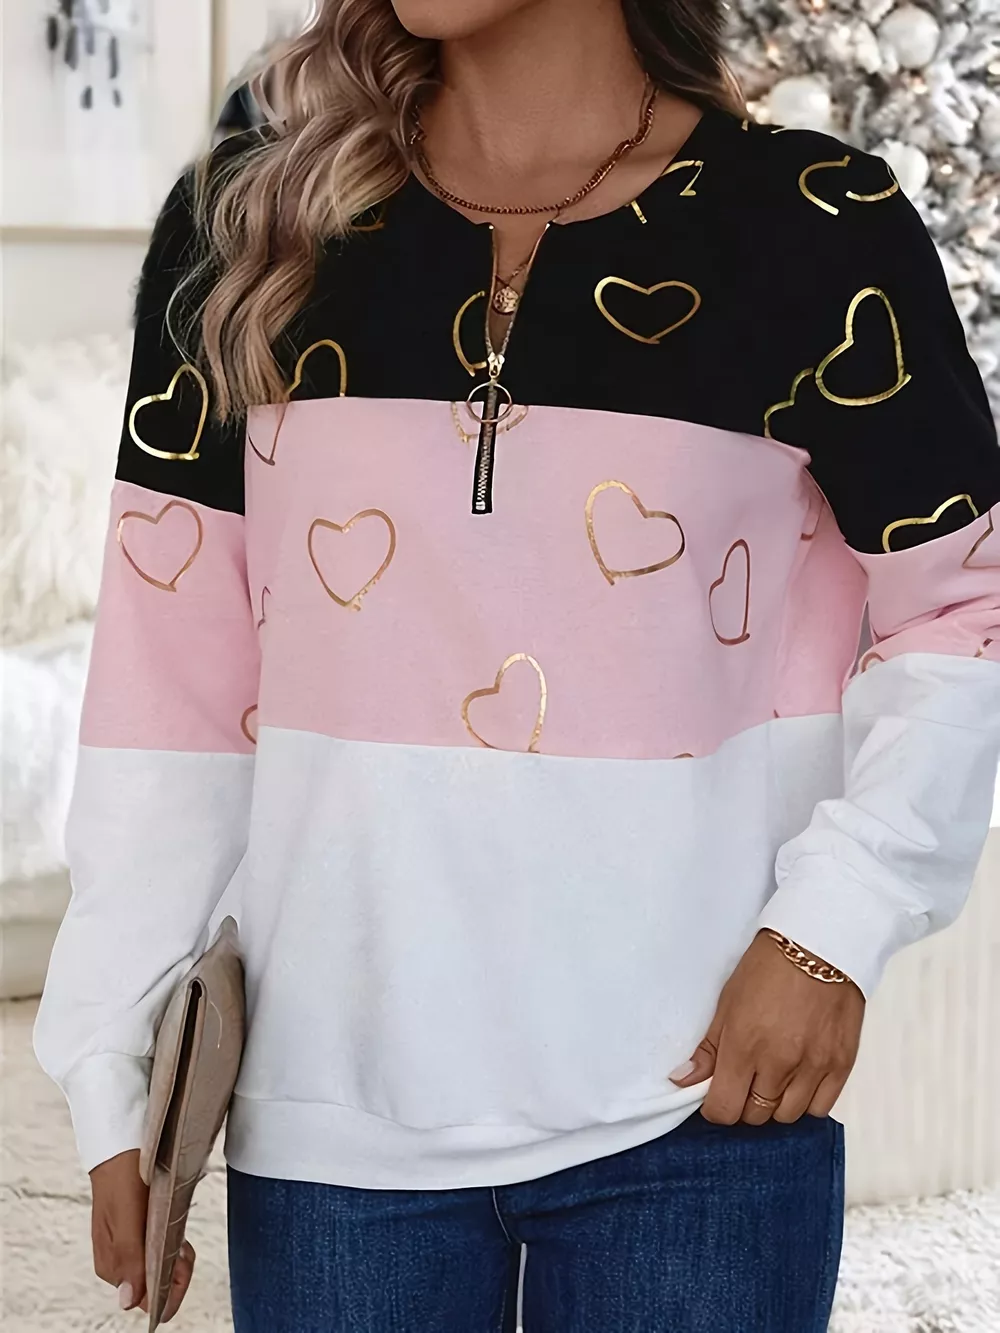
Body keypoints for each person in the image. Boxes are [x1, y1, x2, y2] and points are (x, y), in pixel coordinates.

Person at [34, 1, 1000, 1329]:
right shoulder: (252, 220)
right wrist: (110, 1051)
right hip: (332, 1125)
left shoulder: (812, 225)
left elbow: (963, 606)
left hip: (700, 1106)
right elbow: (173, 684)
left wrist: (831, 933)